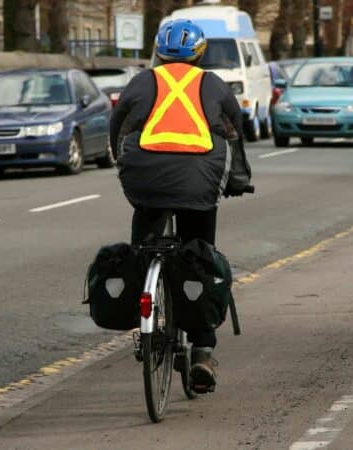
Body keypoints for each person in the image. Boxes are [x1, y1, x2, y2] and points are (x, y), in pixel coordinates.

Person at [109, 19, 251, 393]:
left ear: (158, 52)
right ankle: (203, 349)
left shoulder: (141, 82)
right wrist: (238, 180)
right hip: (199, 181)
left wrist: (120, 164)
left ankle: (146, 315)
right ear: (200, 54)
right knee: (199, 256)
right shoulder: (214, 84)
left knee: (145, 241)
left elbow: (117, 126)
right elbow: (235, 134)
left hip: (144, 177)